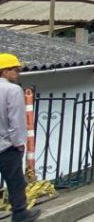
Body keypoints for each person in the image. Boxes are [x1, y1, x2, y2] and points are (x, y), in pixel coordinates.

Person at [0, 54, 40, 222]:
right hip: (6, 145)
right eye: (15, 70)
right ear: (4, 71)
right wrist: (19, 143)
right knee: (15, 181)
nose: (18, 73)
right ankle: (20, 213)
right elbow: (16, 120)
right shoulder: (12, 90)